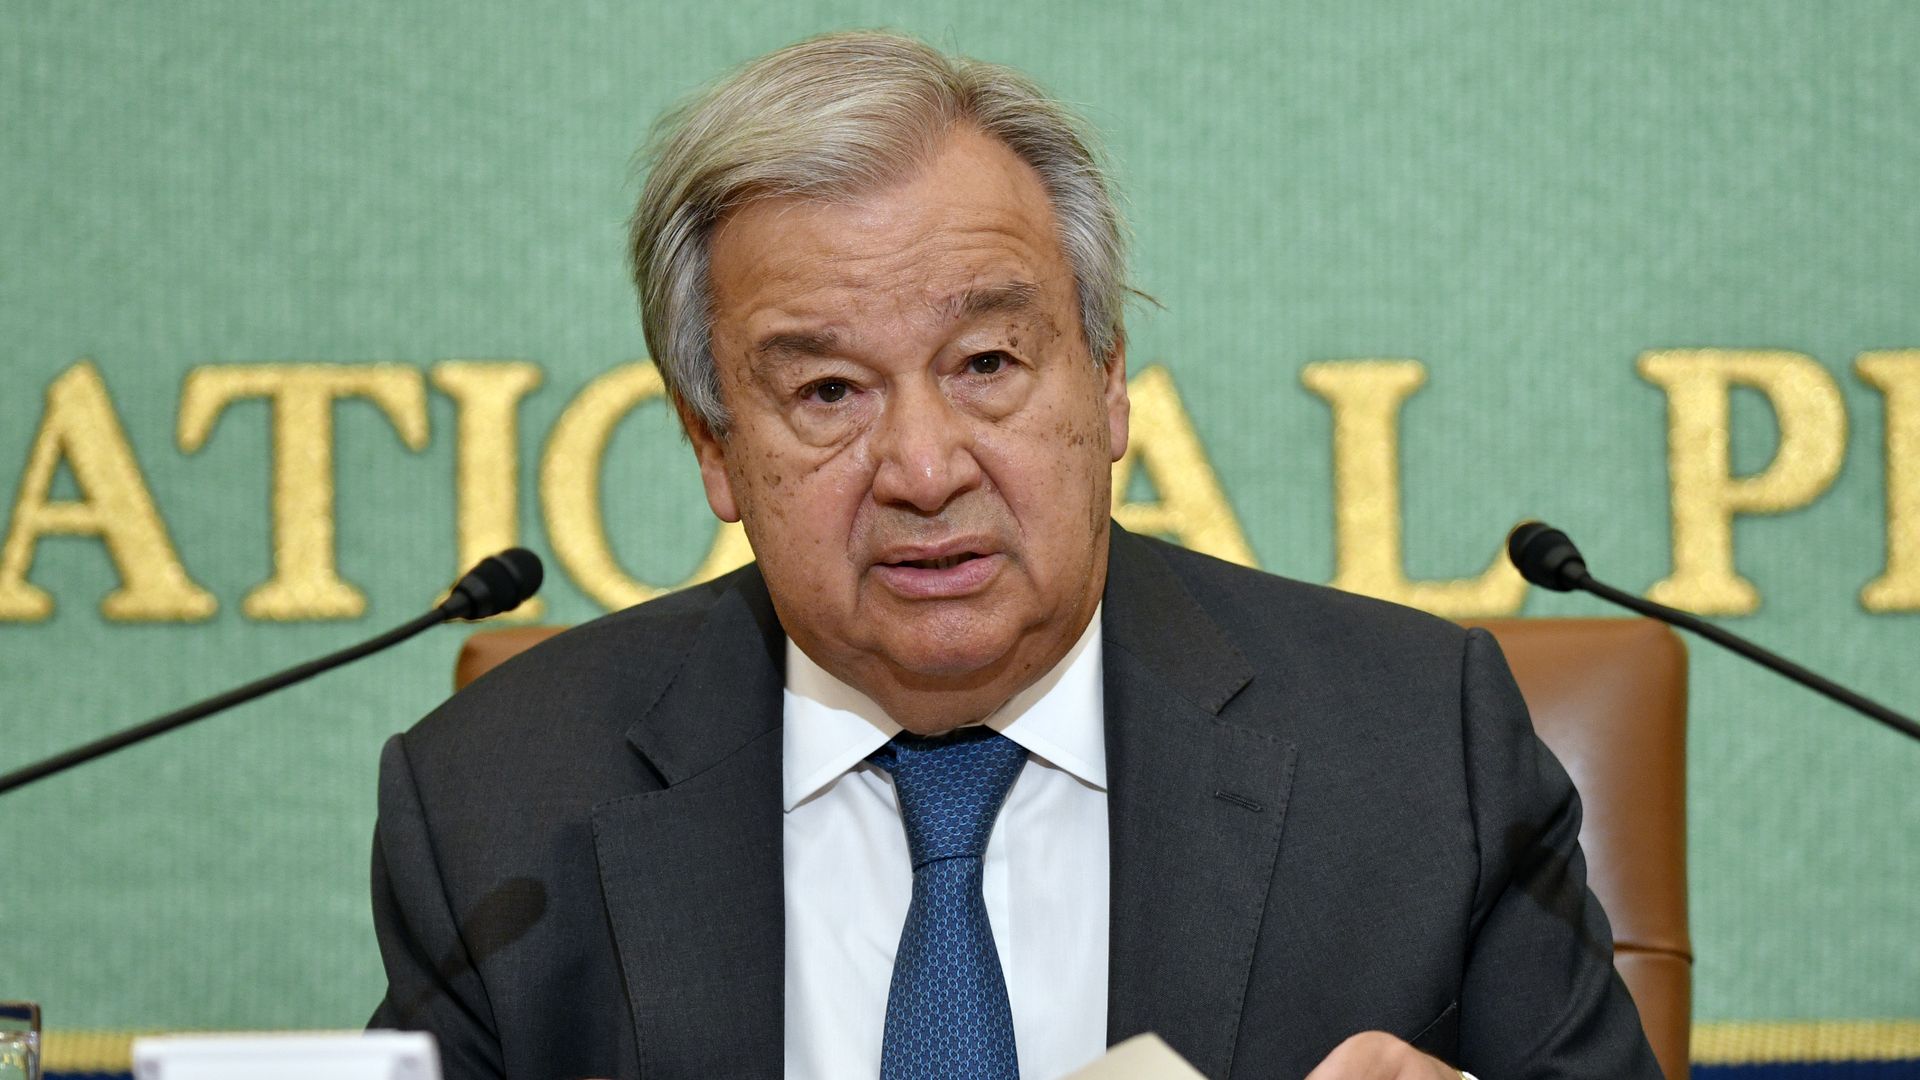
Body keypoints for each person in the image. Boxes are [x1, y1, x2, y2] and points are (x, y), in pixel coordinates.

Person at [369, 30, 1662, 1080]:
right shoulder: (501, 811)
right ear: (714, 445)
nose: (925, 471)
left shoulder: (1413, 754)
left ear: (1105, 387)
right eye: (827, 392)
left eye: (987, 365)